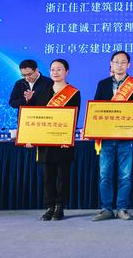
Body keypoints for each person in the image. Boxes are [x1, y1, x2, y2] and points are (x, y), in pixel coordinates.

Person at [90, 51, 133, 222]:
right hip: (106, 137)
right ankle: (106, 209)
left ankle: (122, 208)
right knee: (105, 175)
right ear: (111, 64)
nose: (119, 65)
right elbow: (96, 108)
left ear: (128, 65)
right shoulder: (103, 84)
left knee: (125, 176)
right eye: (116, 62)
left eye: (123, 62)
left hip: (126, 138)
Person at [30, 59, 81, 221]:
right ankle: (49, 207)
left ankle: (60, 207)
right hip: (46, 141)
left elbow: (73, 117)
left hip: (63, 141)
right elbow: (37, 116)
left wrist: (67, 137)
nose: (55, 72)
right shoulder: (42, 91)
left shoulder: (73, 92)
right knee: (48, 177)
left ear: (66, 71)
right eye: (52, 69)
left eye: (59, 69)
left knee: (62, 177)